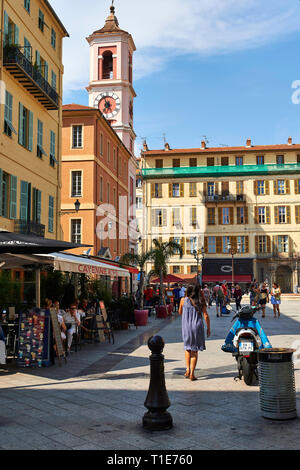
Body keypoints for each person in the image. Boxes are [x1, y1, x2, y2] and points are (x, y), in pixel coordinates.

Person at [179, 284, 211, 381]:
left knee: (187, 348)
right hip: (197, 326)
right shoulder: (201, 301)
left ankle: (187, 369)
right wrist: (208, 328)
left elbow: (180, 312)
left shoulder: (183, 300)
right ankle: (192, 374)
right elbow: (205, 315)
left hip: (186, 327)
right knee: (194, 350)